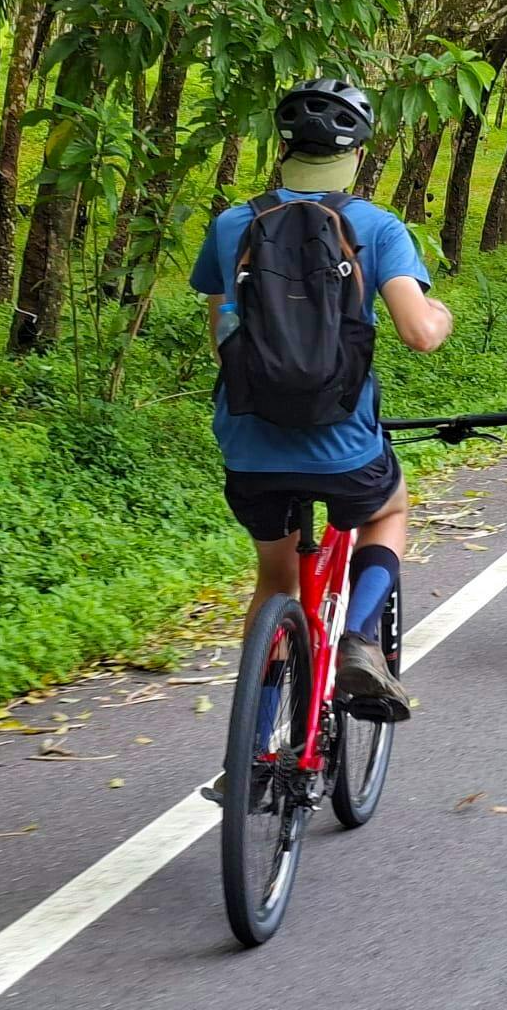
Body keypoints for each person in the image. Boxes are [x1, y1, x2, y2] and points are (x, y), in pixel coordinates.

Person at [190, 79, 453, 741]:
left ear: (282, 147)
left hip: (250, 446)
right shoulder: (373, 226)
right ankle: (361, 638)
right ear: (357, 153)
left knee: (274, 578)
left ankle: (249, 749)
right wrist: (440, 314)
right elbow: (418, 333)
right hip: (343, 447)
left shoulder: (231, 225)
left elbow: (223, 335)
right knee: (389, 510)